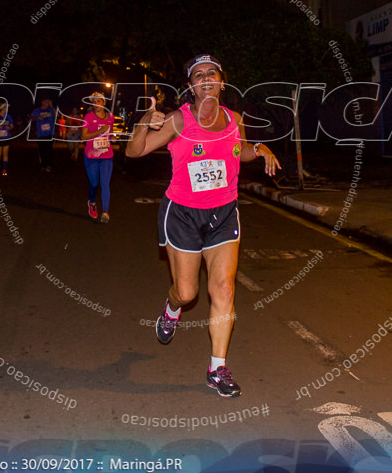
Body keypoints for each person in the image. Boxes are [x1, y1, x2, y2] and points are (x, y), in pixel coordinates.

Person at [126, 54, 280, 398]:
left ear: (221, 82)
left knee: (223, 289)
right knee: (187, 293)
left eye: (212, 74)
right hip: (182, 214)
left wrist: (259, 146)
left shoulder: (233, 118)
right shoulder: (178, 121)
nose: (207, 79)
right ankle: (172, 308)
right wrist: (143, 124)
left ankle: (217, 368)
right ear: (191, 86)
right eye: (199, 75)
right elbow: (134, 153)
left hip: (223, 213)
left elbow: (237, 151)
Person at [82, 92, 115, 224]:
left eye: (99, 101)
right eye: (94, 102)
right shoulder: (88, 117)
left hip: (107, 155)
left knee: (105, 184)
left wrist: (112, 137)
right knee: (94, 183)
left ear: (104, 103)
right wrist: (99, 132)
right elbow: (83, 137)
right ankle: (92, 202)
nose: (96, 104)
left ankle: (105, 212)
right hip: (91, 155)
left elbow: (110, 134)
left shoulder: (111, 117)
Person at [30, 96, 56, 172]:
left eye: (49, 102)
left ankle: (49, 165)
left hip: (49, 133)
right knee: (42, 150)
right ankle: (43, 165)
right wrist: (37, 117)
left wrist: (52, 105)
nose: (48, 103)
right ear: (42, 102)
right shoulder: (37, 110)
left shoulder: (50, 109)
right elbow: (30, 119)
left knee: (49, 149)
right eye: (47, 102)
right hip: (41, 134)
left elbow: (56, 115)